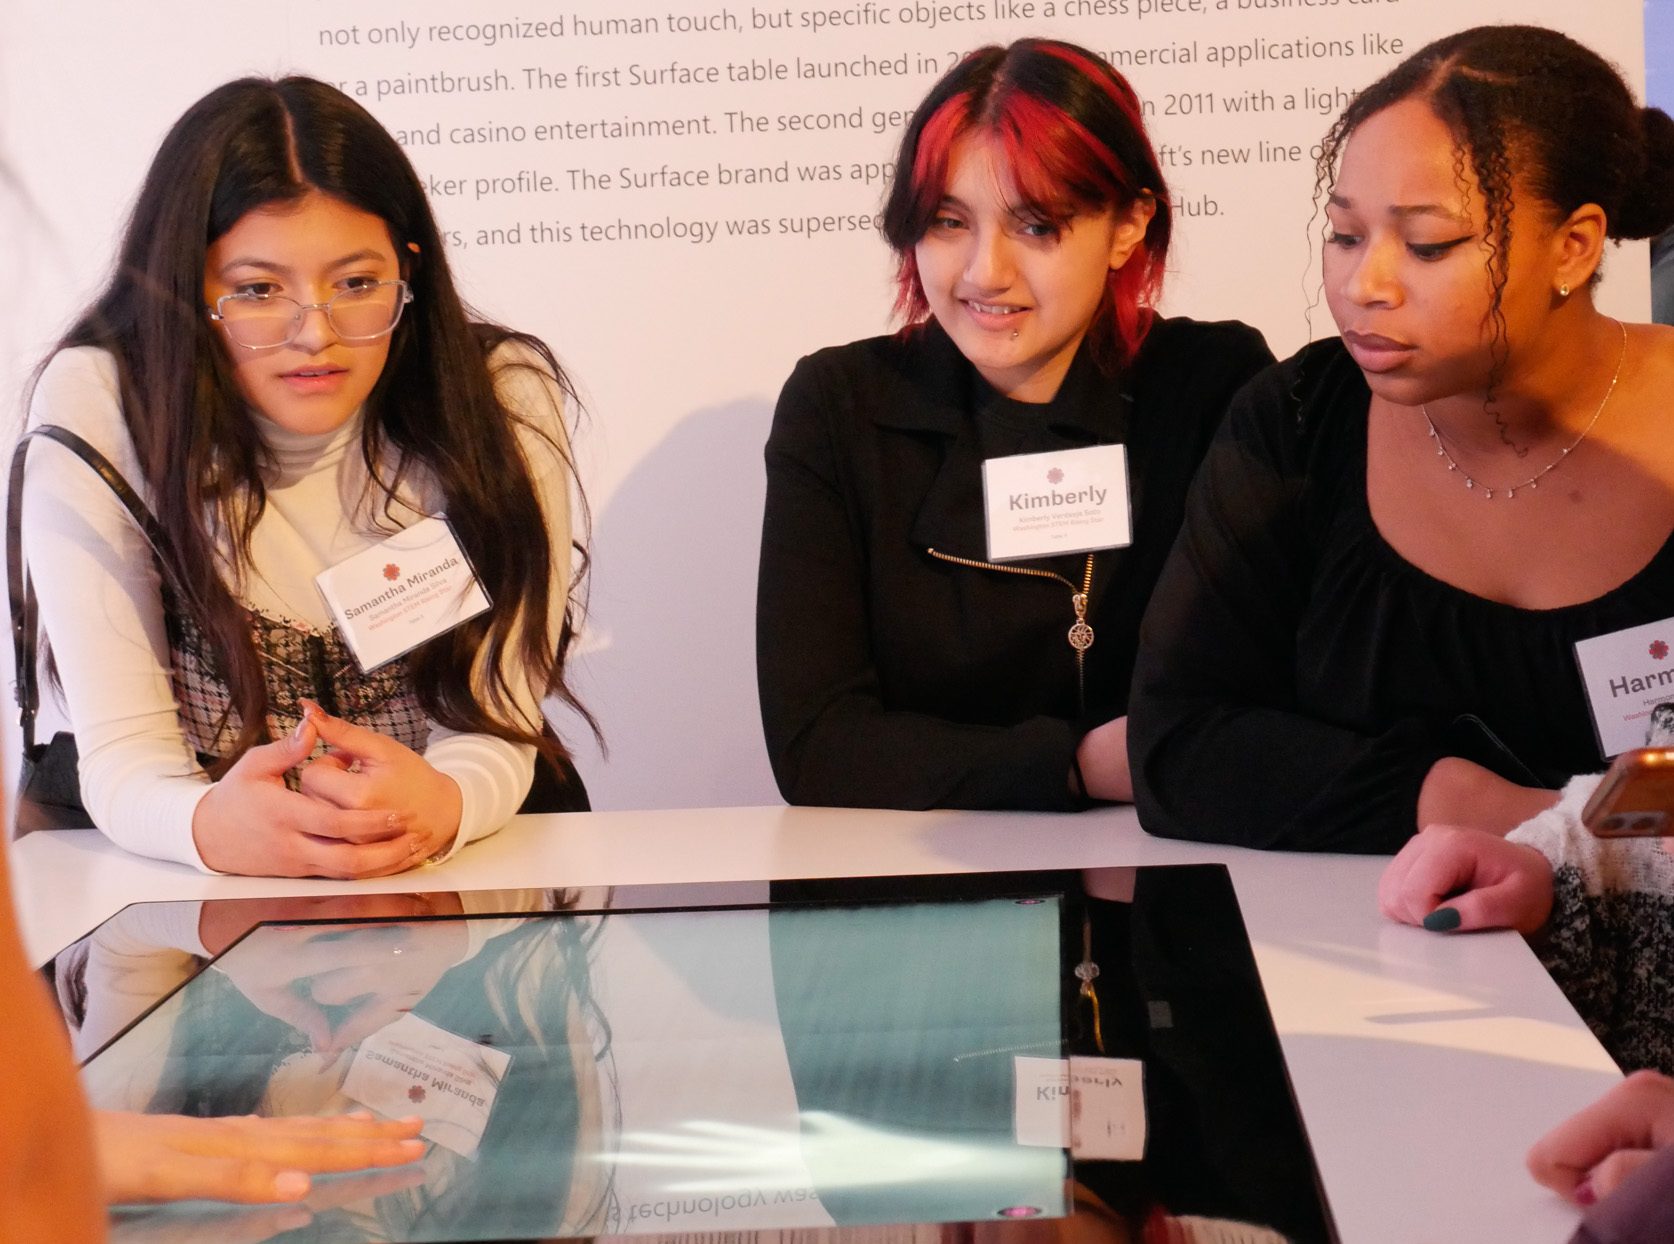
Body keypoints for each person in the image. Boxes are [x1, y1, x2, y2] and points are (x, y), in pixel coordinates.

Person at [19, 76, 588, 877]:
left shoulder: (496, 395)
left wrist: (444, 805)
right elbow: (125, 757)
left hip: (454, 859)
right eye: (257, 291)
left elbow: (497, 726)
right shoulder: (104, 402)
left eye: (356, 284)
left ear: (409, 267)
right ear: (190, 288)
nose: (314, 335)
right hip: (161, 862)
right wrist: (209, 826)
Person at [1129, 25, 1674, 851]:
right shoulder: (1298, 420)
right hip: (1370, 962)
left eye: (1428, 245)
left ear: (1574, 246)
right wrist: (1467, 802)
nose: (1363, 285)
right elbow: (1178, 745)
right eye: (1346, 235)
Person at [756, 39, 1272, 810]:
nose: (983, 272)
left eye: (1036, 226)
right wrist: (1078, 764)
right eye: (947, 221)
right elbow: (817, 748)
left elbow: (1270, 694)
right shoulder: (840, 405)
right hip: (919, 892)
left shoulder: (1213, 385)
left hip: (1175, 870)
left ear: (1129, 225)